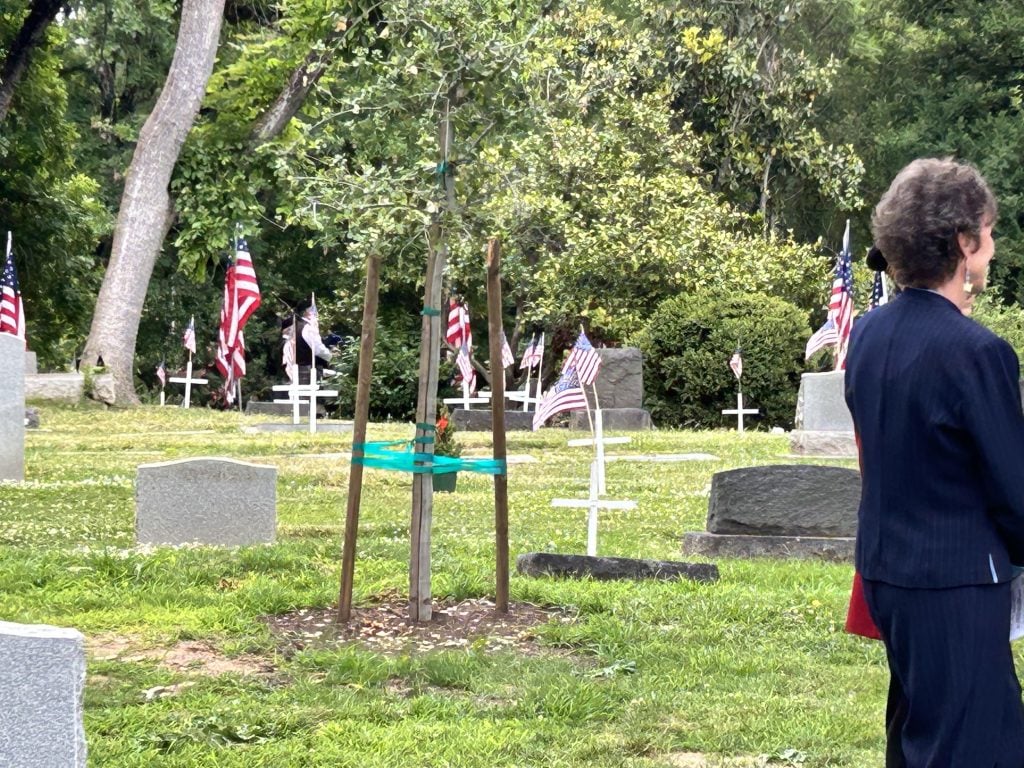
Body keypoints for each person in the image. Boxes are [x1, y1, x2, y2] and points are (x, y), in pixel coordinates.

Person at [845, 157, 1024, 766]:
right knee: (979, 745)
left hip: (888, 570)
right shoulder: (978, 352)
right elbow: (1013, 489)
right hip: (956, 579)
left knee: (917, 737)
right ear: (963, 242)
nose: (994, 249)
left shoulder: (868, 333)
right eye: (991, 233)